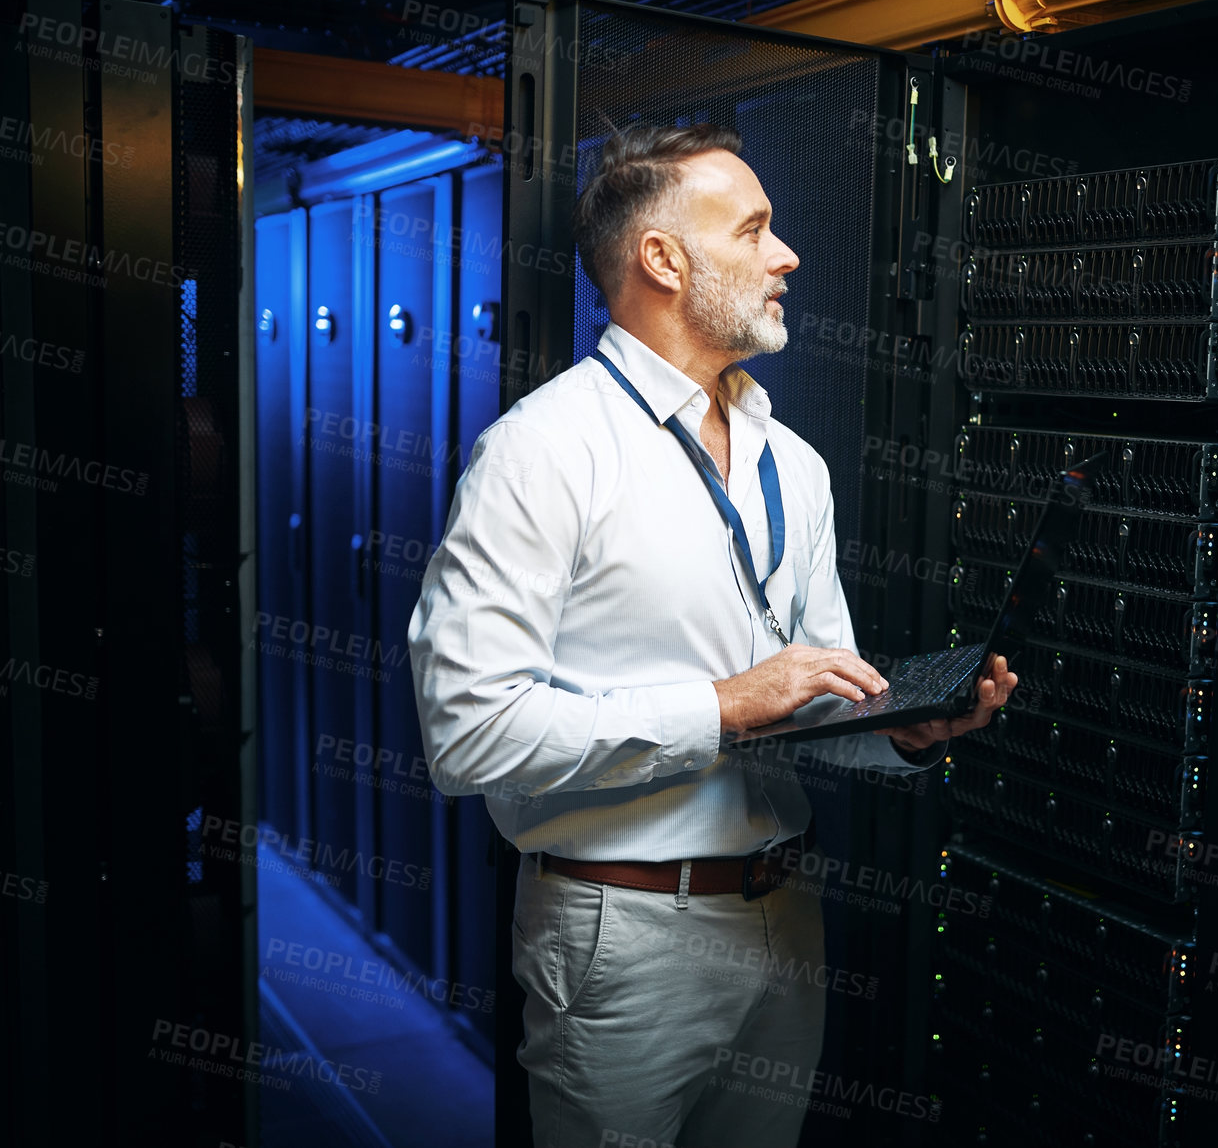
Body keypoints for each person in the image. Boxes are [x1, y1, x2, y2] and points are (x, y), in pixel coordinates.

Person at [407, 121, 1016, 1148]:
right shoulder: (541, 452)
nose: (785, 256)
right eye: (755, 231)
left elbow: (810, 691)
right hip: (621, 930)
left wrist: (897, 728)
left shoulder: (796, 463)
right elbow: (466, 733)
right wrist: (723, 703)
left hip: (783, 914)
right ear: (662, 258)